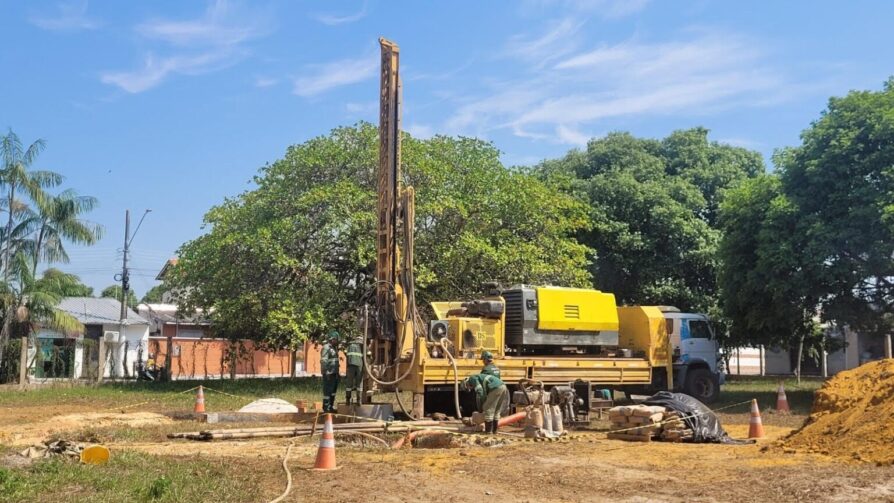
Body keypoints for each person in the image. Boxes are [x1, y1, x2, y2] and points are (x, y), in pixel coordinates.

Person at [463, 368, 509, 434]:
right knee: (496, 410)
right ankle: (495, 431)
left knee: (488, 409)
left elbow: (480, 392)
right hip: (503, 387)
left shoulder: (472, 378)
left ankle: (488, 432)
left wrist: (482, 407)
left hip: (495, 388)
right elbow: (484, 394)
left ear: (466, 383)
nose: (471, 388)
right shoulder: (480, 378)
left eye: (469, 387)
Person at [321, 330, 340, 413]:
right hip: (328, 373)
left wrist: (337, 373)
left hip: (334, 373)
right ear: (332, 339)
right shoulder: (326, 348)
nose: (337, 342)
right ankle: (326, 407)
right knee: (327, 391)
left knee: (333, 391)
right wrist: (326, 372)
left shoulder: (334, 348)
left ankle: (331, 406)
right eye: (336, 340)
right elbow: (324, 361)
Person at [344, 336, 364, 406]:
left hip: (350, 366)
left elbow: (345, 352)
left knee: (349, 383)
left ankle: (347, 400)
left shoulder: (349, 345)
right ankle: (359, 401)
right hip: (359, 366)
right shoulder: (362, 345)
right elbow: (369, 354)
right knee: (359, 383)